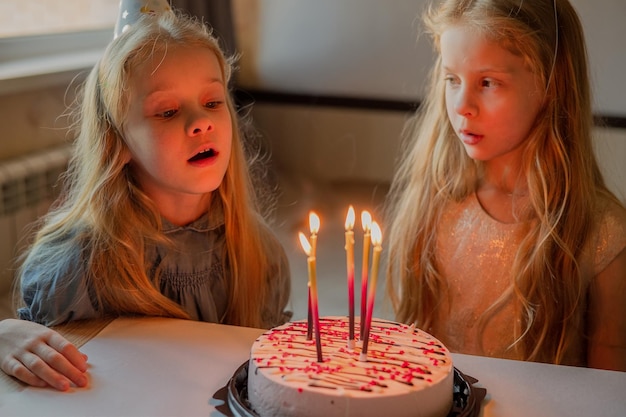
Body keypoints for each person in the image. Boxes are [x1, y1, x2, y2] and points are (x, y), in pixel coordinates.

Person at [0, 6, 290, 391]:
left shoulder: (260, 254)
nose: (201, 121)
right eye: (167, 111)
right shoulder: (77, 265)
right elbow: (38, 376)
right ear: (118, 142)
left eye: (213, 102)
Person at [385, 0, 626, 371]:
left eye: (488, 82)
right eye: (452, 79)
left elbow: (610, 387)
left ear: (551, 83)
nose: (462, 105)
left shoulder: (602, 233)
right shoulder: (437, 206)